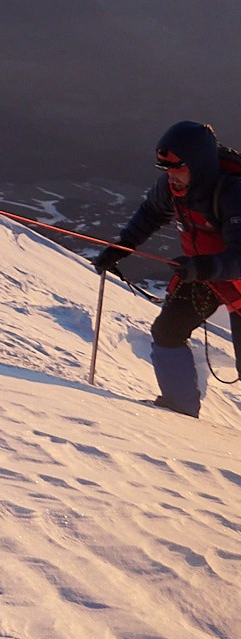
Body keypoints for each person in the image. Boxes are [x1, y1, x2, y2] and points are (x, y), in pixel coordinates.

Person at [93, 119, 241, 417]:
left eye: (178, 169)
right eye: (167, 170)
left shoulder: (233, 193)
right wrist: (121, 248)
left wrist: (200, 267)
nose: (171, 177)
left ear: (198, 165)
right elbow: (150, 213)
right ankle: (178, 411)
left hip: (222, 273)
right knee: (168, 331)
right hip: (205, 273)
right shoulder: (173, 187)